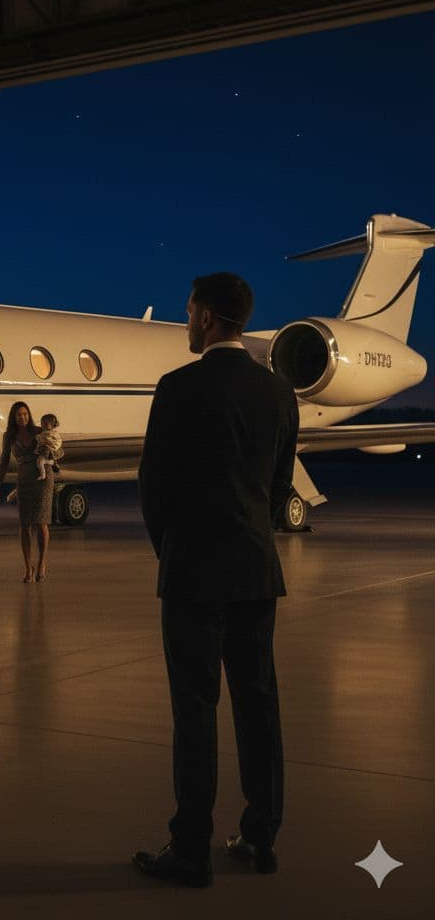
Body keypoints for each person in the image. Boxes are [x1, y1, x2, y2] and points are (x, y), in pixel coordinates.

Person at [132, 272, 298, 888]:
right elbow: (278, 488)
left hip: (193, 574)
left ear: (206, 318)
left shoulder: (178, 388)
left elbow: (154, 487)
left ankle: (191, 848)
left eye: (188, 310)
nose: (185, 320)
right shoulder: (280, 394)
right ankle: (261, 836)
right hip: (256, 572)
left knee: (195, 711)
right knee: (259, 707)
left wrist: (171, 551)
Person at [0, 401, 55, 582]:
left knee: (42, 522)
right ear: (14, 417)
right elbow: (4, 461)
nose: (22, 417)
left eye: (25, 414)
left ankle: (42, 561)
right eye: (19, 415)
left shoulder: (38, 431)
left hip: (42, 478)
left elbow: (55, 449)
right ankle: (28, 566)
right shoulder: (9, 436)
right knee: (25, 524)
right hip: (24, 479)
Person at [35, 412, 63, 480]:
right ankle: (53, 463)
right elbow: (58, 441)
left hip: (48, 451)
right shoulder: (55, 433)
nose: (42, 426)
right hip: (53, 450)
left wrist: (37, 436)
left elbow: (41, 439)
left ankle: (43, 474)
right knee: (50, 459)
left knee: (40, 462)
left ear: (48, 425)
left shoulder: (47, 434)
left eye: (43, 424)